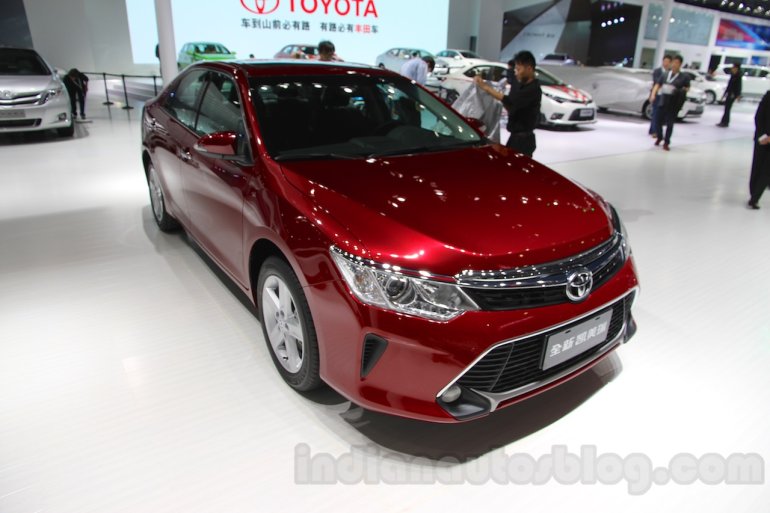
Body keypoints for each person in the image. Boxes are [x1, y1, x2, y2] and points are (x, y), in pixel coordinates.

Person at [474, 50, 541, 156]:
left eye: (518, 69)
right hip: (516, 138)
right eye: (515, 69)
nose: (516, 72)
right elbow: (511, 105)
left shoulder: (532, 89)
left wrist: (485, 87)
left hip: (523, 141)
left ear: (529, 68)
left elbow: (510, 101)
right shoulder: (522, 85)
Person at [649, 55, 689, 151]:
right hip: (663, 100)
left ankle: (667, 142)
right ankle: (659, 136)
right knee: (657, 121)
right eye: (673, 62)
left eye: (677, 63)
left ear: (680, 64)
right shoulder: (665, 74)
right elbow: (657, 84)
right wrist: (653, 94)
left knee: (670, 124)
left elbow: (687, 88)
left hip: (674, 102)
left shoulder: (684, 77)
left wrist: (680, 90)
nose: (674, 64)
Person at [749, 91, 770, 209]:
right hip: (762, 139)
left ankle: (755, 198)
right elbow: (759, 117)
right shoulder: (768, 97)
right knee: (757, 167)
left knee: (767, 171)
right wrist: (762, 136)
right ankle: (753, 194)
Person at [648, 55, 672, 138]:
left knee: (660, 114)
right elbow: (656, 82)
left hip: (665, 96)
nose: (666, 63)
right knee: (655, 113)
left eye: (668, 62)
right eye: (664, 61)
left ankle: (653, 130)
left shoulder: (670, 72)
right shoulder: (657, 71)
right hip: (657, 94)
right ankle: (654, 131)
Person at [717, 63, 742, 127]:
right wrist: (725, 93)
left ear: (736, 68)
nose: (732, 69)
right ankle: (723, 121)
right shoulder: (733, 75)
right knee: (726, 108)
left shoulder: (738, 76)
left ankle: (725, 122)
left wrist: (737, 95)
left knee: (727, 108)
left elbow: (738, 86)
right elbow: (729, 85)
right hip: (730, 93)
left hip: (732, 94)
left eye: (733, 67)